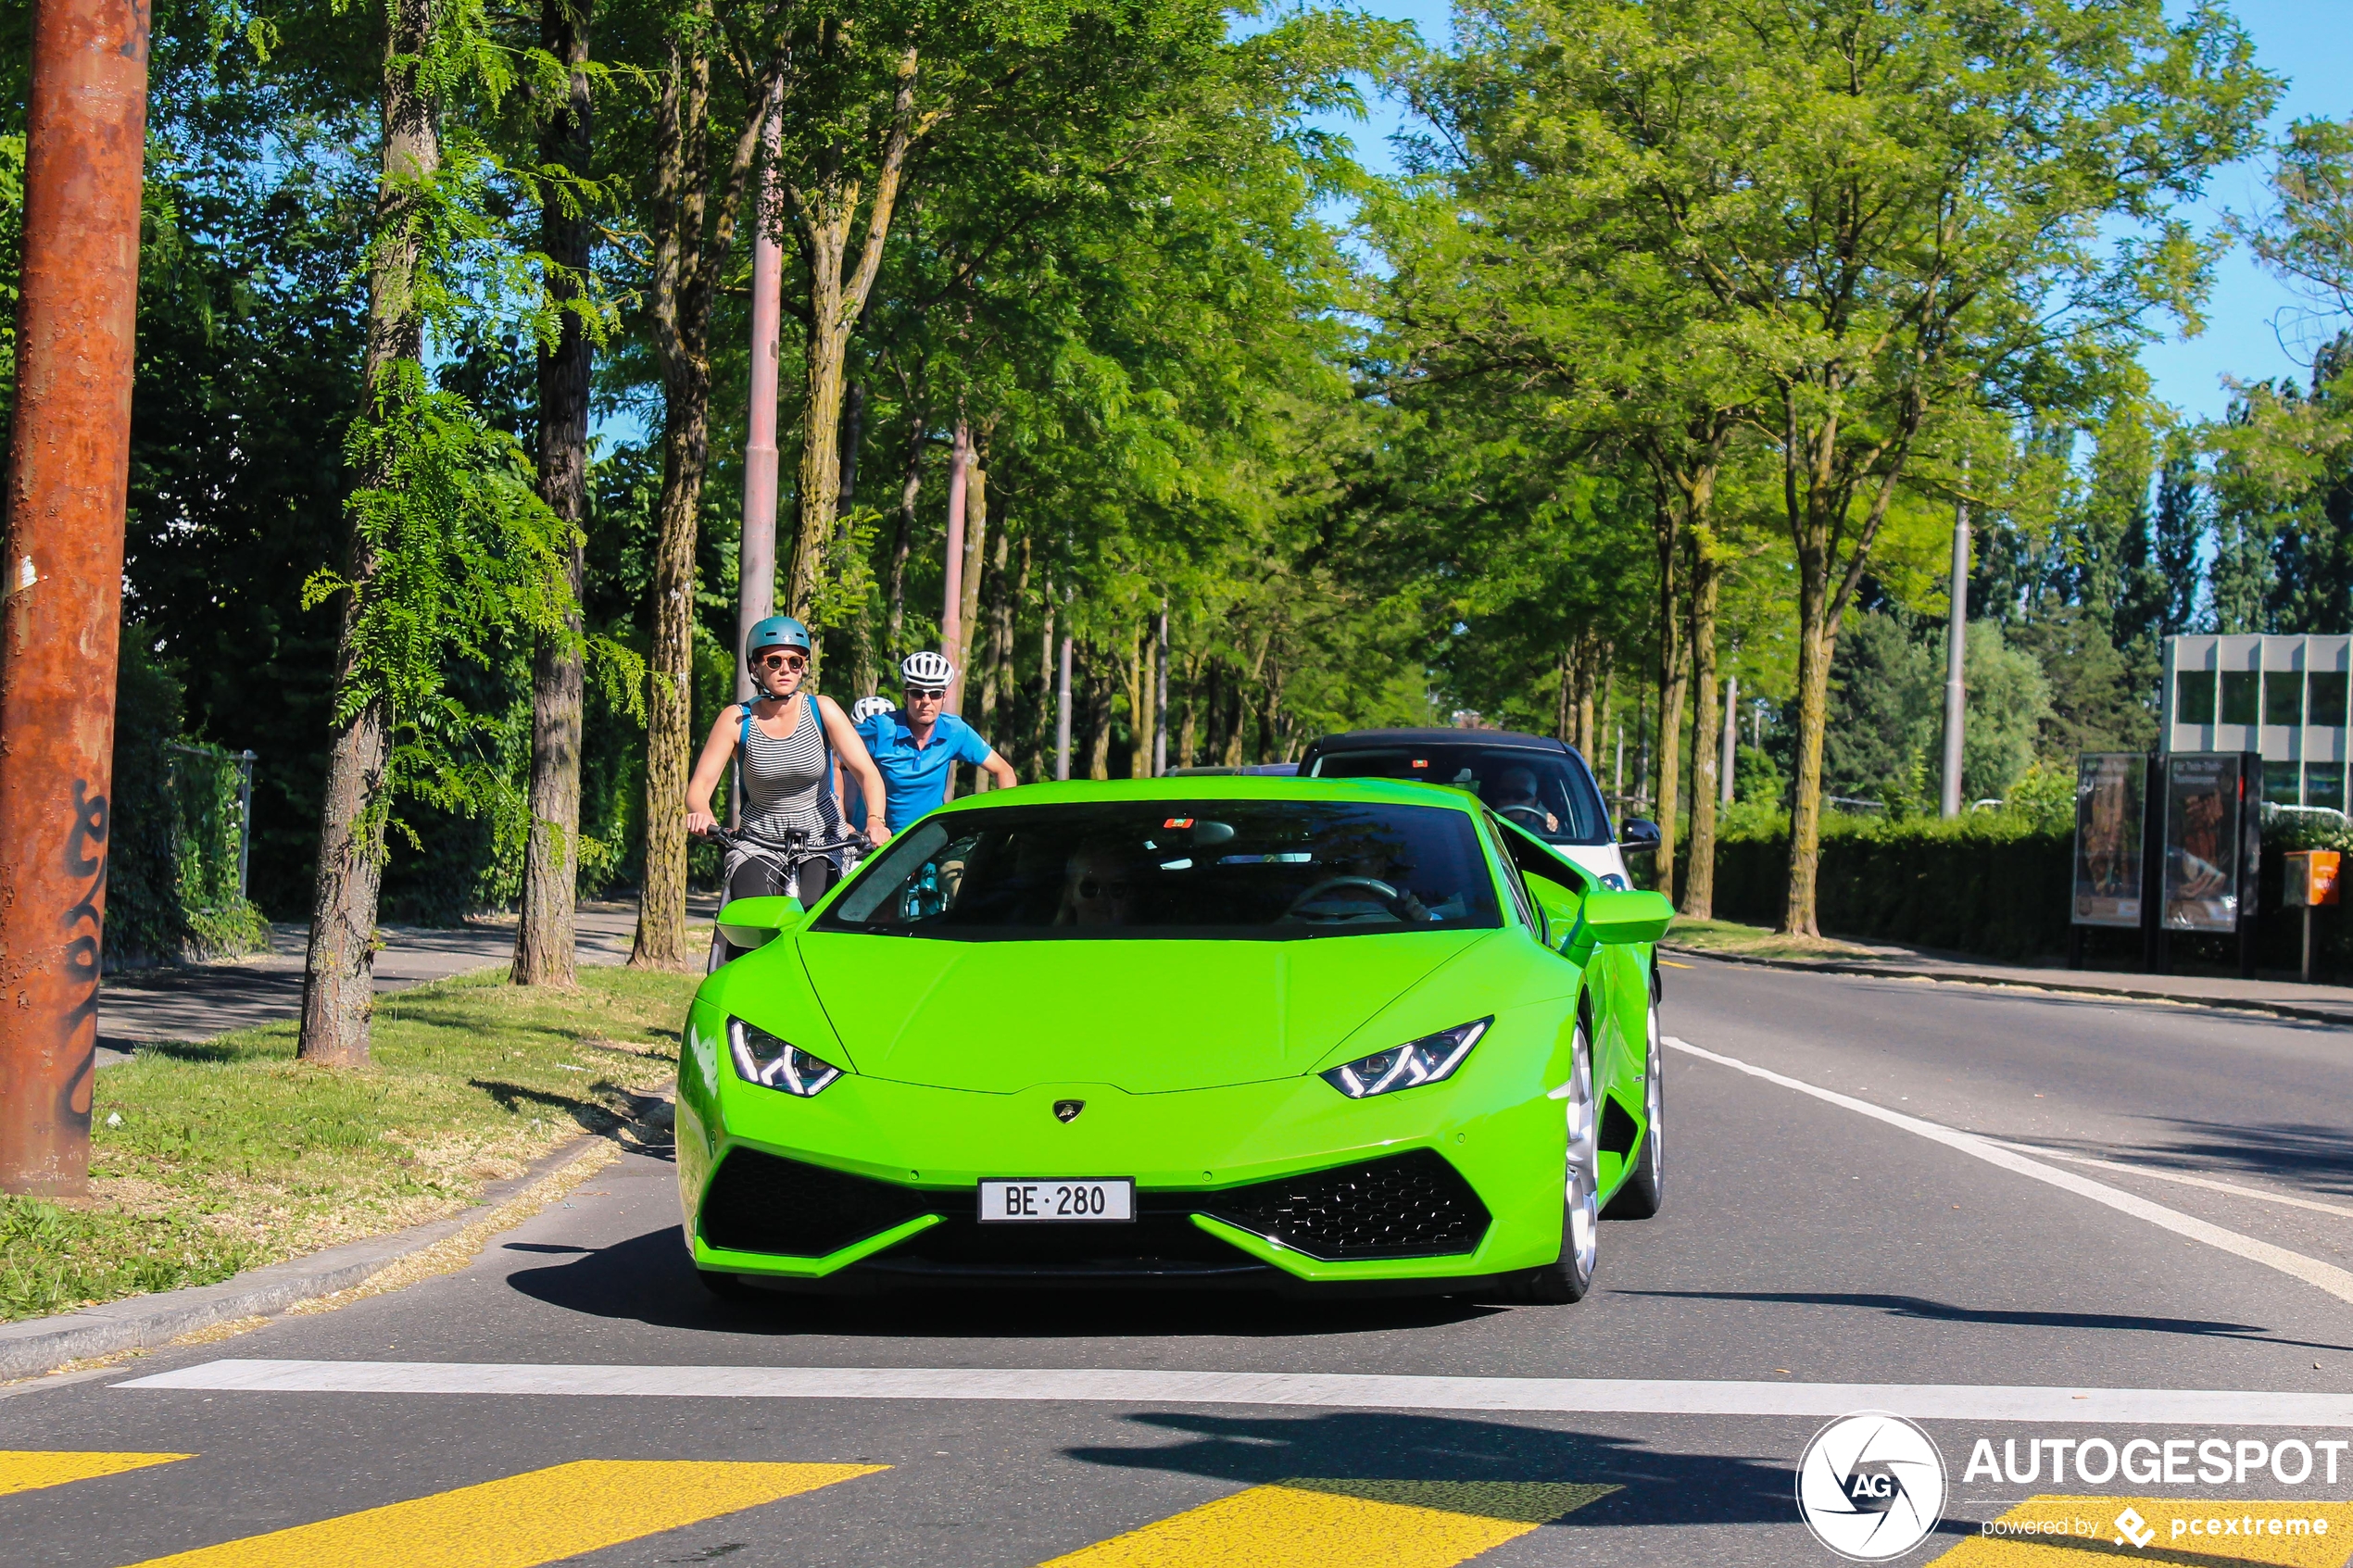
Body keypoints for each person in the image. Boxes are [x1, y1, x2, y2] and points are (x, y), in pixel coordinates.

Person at [685, 616, 888, 904]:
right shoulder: (736, 719)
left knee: (815, 911)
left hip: (822, 839)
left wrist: (875, 820)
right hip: (758, 841)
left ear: (804, 666)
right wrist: (702, 813)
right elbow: (699, 788)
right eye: (774, 661)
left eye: (795, 661)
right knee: (752, 913)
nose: (785, 669)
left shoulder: (822, 709)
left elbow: (867, 773)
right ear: (755, 665)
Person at [854, 650, 1018, 834]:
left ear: (944, 697)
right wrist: (841, 819)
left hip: (927, 843)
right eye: (917, 693)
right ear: (905, 695)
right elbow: (834, 759)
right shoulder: (880, 728)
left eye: (935, 694)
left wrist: (1003, 826)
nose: (926, 701)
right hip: (874, 843)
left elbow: (1004, 771)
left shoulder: (955, 731)